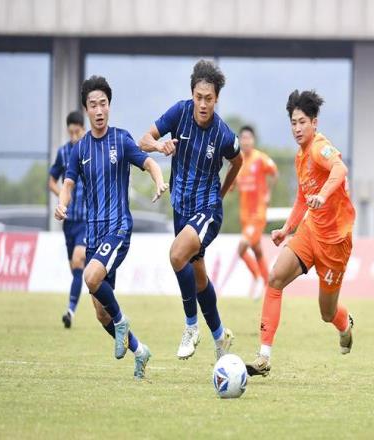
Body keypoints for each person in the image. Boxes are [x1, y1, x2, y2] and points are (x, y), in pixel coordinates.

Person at [55, 75, 168, 379]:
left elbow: (149, 163)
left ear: (109, 106)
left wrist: (159, 180)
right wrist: (62, 204)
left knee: (91, 277)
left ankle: (121, 321)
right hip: (93, 234)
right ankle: (140, 350)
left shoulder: (121, 139)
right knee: (100, 312)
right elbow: (67, 185)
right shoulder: (80, 150)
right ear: (86, 109)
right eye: (93, 105)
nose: (99, 110)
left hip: (118, 228)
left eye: (103, 103)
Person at [246, 90, 356, 377]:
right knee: (275, 278)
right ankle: (264, 356)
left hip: (335, 243)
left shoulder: (320, 148)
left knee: (326, 313)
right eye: (293, 123)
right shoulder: (300, 156)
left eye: (302, 122)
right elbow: (302, 197)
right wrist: (287, 229)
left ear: (314, 123)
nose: (297, 128)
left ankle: (344, 324)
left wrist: (324, 194)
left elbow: (340, 169)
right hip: (310, 232)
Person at [139, 60, 243, 361]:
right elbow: (144, 140)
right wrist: (159, 147)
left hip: (207, 209)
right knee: (199, 279)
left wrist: (222, 193)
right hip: (181, 209)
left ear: (217, 98)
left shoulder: (223, 135)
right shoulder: (179, 113)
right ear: (192, 95)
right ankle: (220, 336)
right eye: (199, 97)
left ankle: (191, 326)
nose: (203, 104)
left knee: (176, 255)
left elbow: (238, 161)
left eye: (209, 98)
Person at [48, 111, 87, 329]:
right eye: (70, 132)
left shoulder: (91, 149)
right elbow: (52, 181)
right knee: (75, 268)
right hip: (69, 221)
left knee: (78, 259)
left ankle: (70, 311)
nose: (74, 136)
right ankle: (90, 285)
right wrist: (62, 197)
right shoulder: (63, 152)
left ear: (83, 129)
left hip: (87, 220)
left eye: (77, 132)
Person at [234, 125, 278, 299]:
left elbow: (274, 173)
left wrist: (269, 193)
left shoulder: (260, 159)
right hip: (244, 215)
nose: (245, 141)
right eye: (243, 138)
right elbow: (233, 183)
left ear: (253, 140)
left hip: (257, 213)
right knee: (257, 250)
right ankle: (269, 286)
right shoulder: (238, 161)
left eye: (248, 138)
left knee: (242, 247)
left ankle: (257, 277)